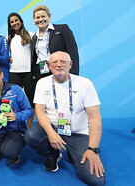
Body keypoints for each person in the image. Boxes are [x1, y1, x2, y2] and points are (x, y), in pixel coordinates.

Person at [24, 51, 105, 185]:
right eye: (54, 62)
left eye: (63, 61)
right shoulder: (42, 83)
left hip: (78, 133)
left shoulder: (85, 84)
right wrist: (51, 133)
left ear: (70, 64)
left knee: (95, 180)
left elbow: (94, 118)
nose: (59, 65)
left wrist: (93, 149)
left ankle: (77, 151)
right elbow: (40, 111)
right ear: (49, 66)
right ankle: (53, 155)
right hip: (54, 128)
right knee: (31, 135)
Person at [0, 65, 32, 166]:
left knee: (9, 152)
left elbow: (29, 111)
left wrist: (16, 116)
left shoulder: (15, 89)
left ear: (2, 75)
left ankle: (13, 148)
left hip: (16, 131)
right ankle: (3, 146)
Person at [31, 5, 79, 82]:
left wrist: (73, 74)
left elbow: (73, 52)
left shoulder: (62, 29)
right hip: (42, 73)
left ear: (49, 16)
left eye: (43, 16)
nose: (40, 19)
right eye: (37, 17)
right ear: (34, 19)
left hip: (60, 70)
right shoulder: (34, 38)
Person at [7, 12, 36, 126]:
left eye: (16, 20)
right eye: (12, 22)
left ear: (21, 21)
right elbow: (7, 54)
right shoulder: (9, 38)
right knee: (13, 100)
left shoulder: (31, 34)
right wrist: (8, 58)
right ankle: (17, 125)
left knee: (30, 100)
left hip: (28, 73)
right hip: (14, 72)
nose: (15, 23)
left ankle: (29, 126)